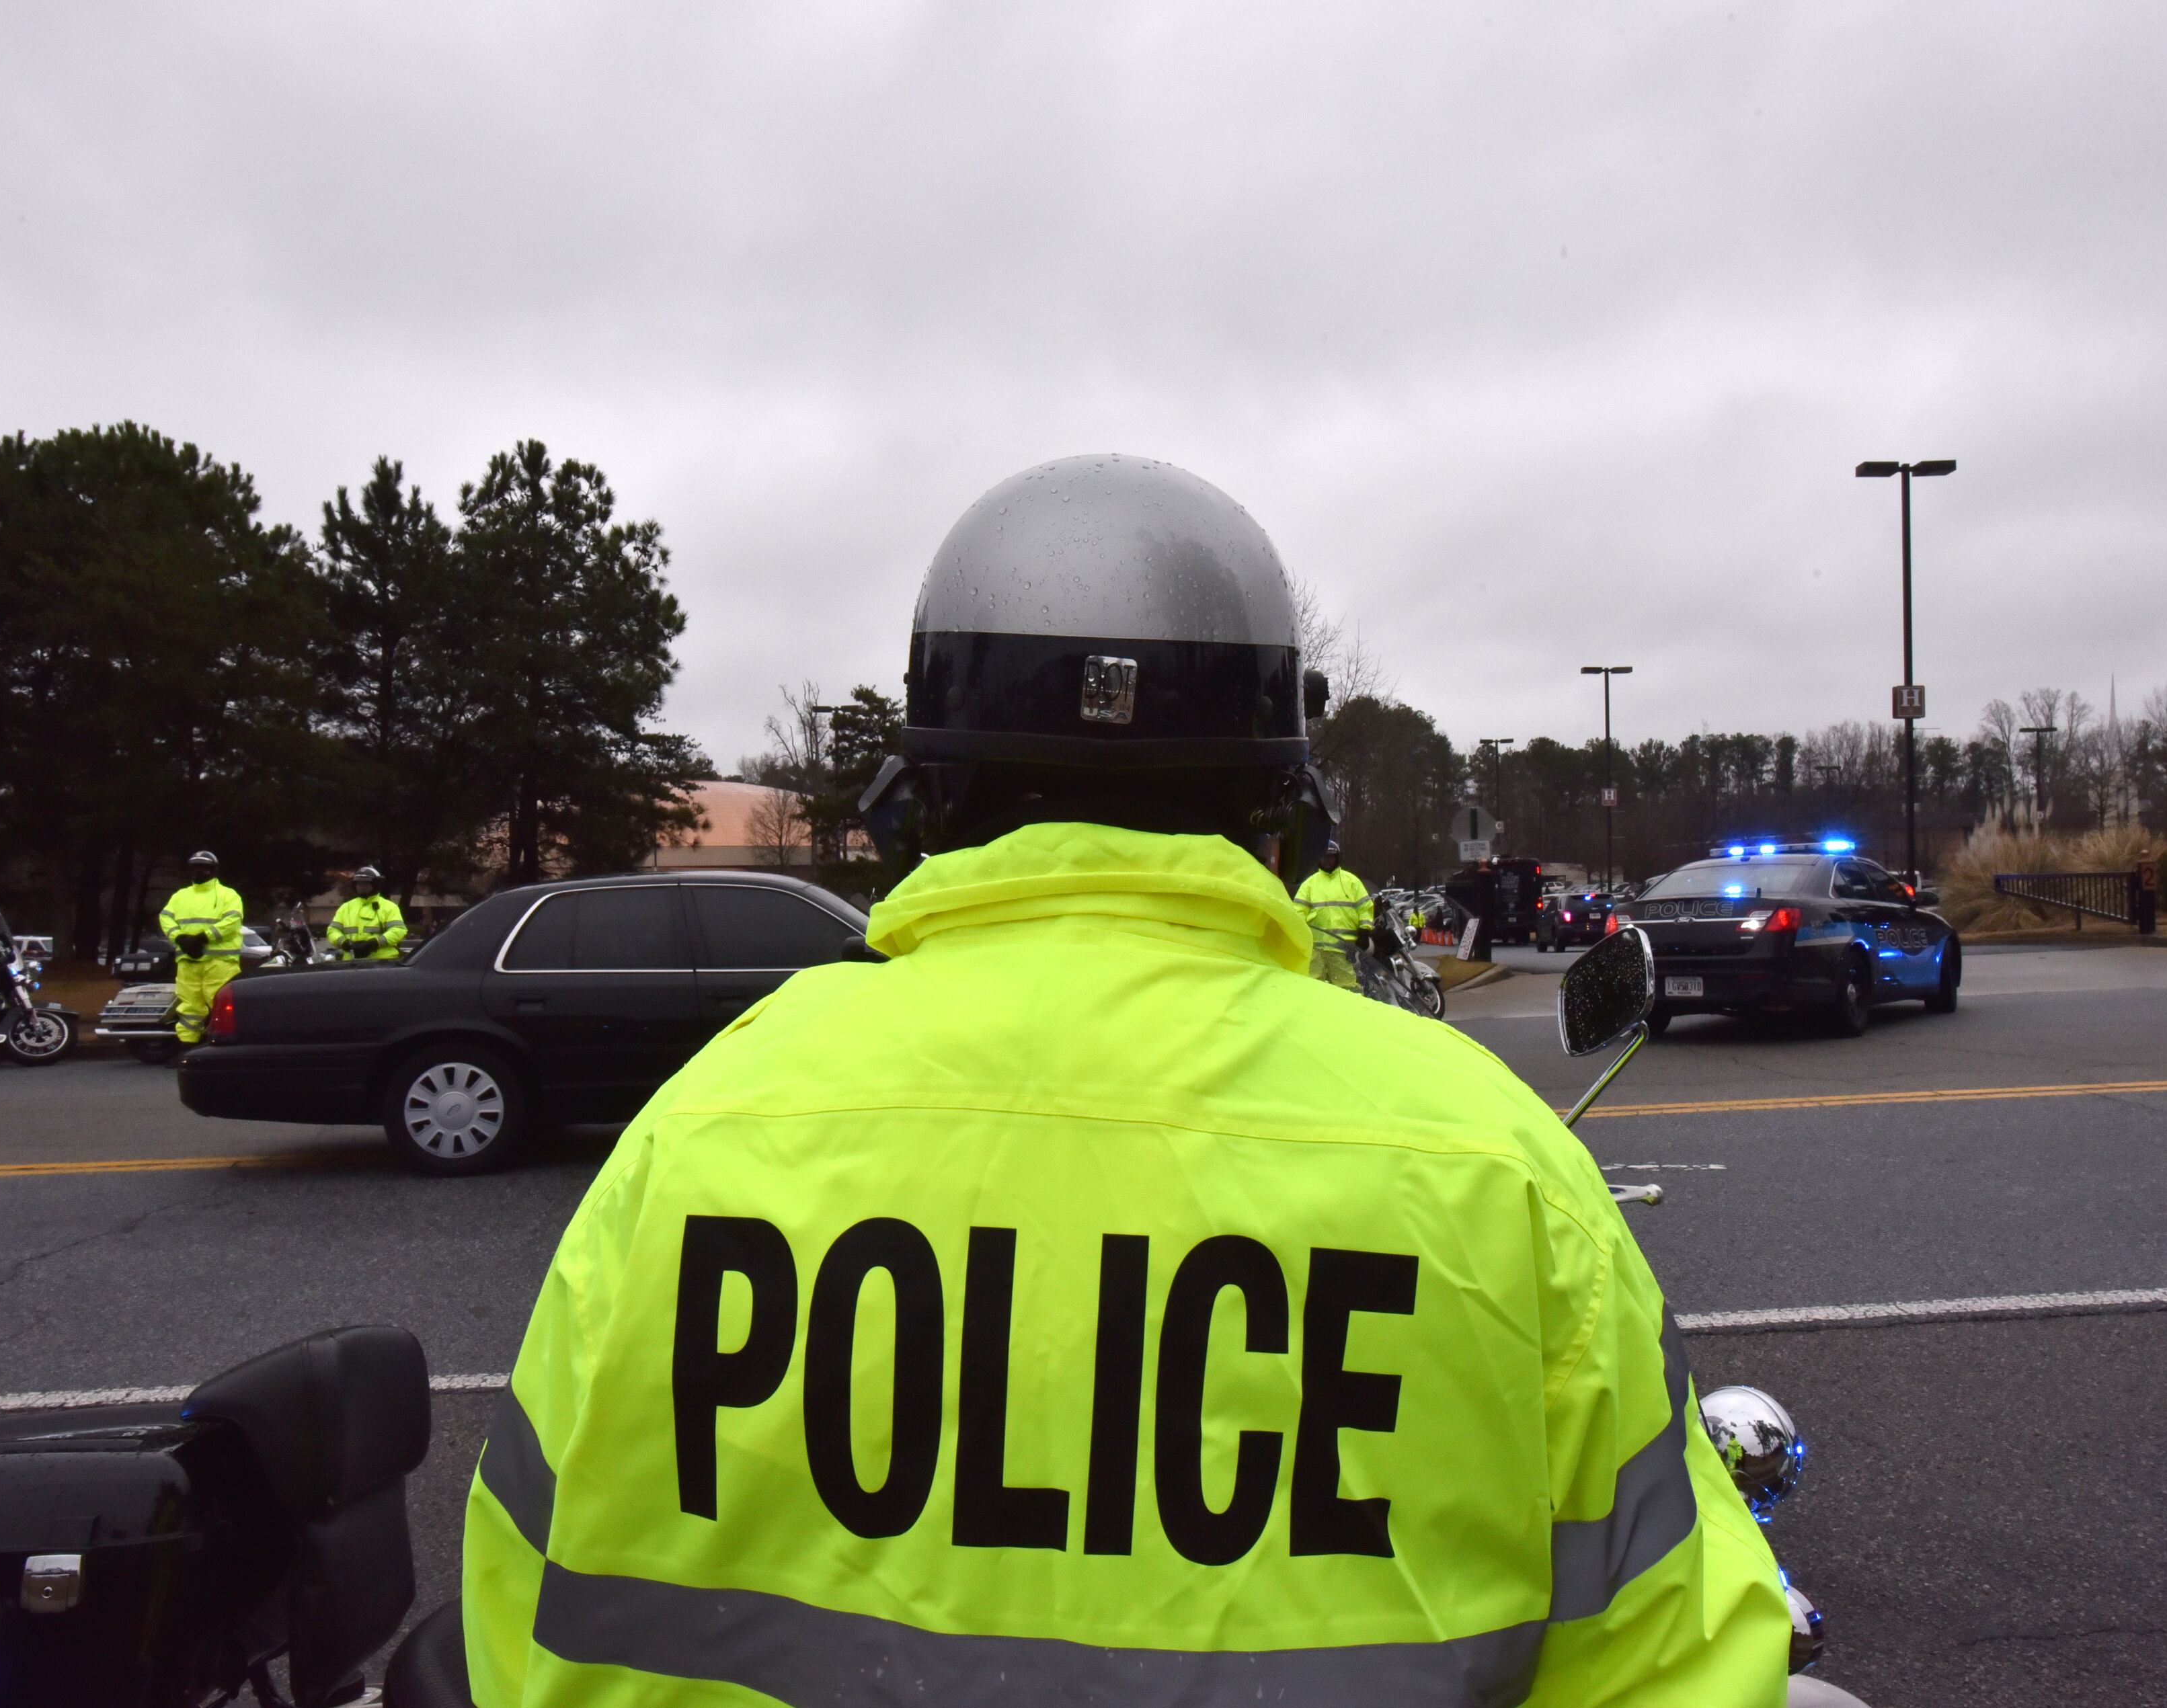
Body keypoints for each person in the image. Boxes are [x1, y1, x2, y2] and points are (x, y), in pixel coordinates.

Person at [462, 456, 1788, 1707]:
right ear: (1281, 801)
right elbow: (1675, 1660)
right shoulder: (1491, 1162)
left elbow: (515, 1613)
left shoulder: (703, 1129)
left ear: (924, 791)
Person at [158, 850, 244, 1046]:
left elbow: (232, 921)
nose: (199, 871)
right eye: (195, 867)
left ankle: (225, 1046)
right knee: (190, 1008)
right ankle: (187, 1047)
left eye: (204, 867)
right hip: (188, 962)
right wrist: (179, 938)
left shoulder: (228, 895)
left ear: (214, 870)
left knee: (222, 1005)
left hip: (219, 963)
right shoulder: (180, 896)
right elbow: (165, 917)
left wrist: (203, 938)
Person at [1294, 838, 1374, 991]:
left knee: (1347, 988)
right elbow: (1298, 911)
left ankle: (1352, 1014)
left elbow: (1365, 907)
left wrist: (1364, 931)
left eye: (1330, 857)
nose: (1327, 861)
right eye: (1324, 857)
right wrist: (1296, 933)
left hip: (1342, 949)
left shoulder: (1351, 882)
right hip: (1316, 949)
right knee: (1314, 988)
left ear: (1337, 858)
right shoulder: (1310, 884)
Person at [327, 866, 408, 961]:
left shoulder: (389, 907)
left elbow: (399, 930)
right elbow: (332, 931)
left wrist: (374, 944)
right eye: (359, 884)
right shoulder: (346, 908)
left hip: (383, 963)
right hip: (351, 963)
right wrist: (345, 944)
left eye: (366, 884)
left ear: (376, 885)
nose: (362, 887)